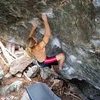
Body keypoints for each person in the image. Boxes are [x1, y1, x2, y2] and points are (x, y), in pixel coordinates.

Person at [26, 13, 65, 77]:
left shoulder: (29, 46)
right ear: (35, 43)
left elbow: (30, 36)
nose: (35, 38)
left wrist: (34, 27)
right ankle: (60, 68)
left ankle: (55, 73)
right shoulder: (39, 47)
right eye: (34, 39)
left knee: (50, 64)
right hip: (45, 61)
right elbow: (47, 35)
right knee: (62, 56)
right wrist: (45, 21)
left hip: (40, 62)